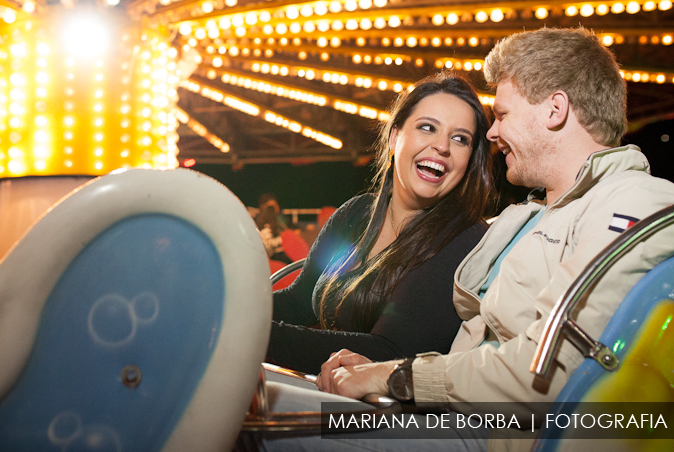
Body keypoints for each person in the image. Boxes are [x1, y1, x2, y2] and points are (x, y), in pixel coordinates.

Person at [248, 27, 674, 451]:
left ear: (554, 110)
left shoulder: (634, 202)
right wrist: (388, 370)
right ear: (396, 136)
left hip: (486, 432)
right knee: (243, 404)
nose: (492, 133)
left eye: (502, 115)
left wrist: (393, 373)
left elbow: (546, 366)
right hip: (438, 414)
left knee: (243, 421)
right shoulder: (527, 218)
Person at [267, 73, 493, 374]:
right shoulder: (356, 213)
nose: (442, 147)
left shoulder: (464, 238)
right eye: (428, 128)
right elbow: (298, 302)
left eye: (460, 139)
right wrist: (224, 309)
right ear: (394, 137)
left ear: (469, 160)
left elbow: (391, 352)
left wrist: (253, 336)